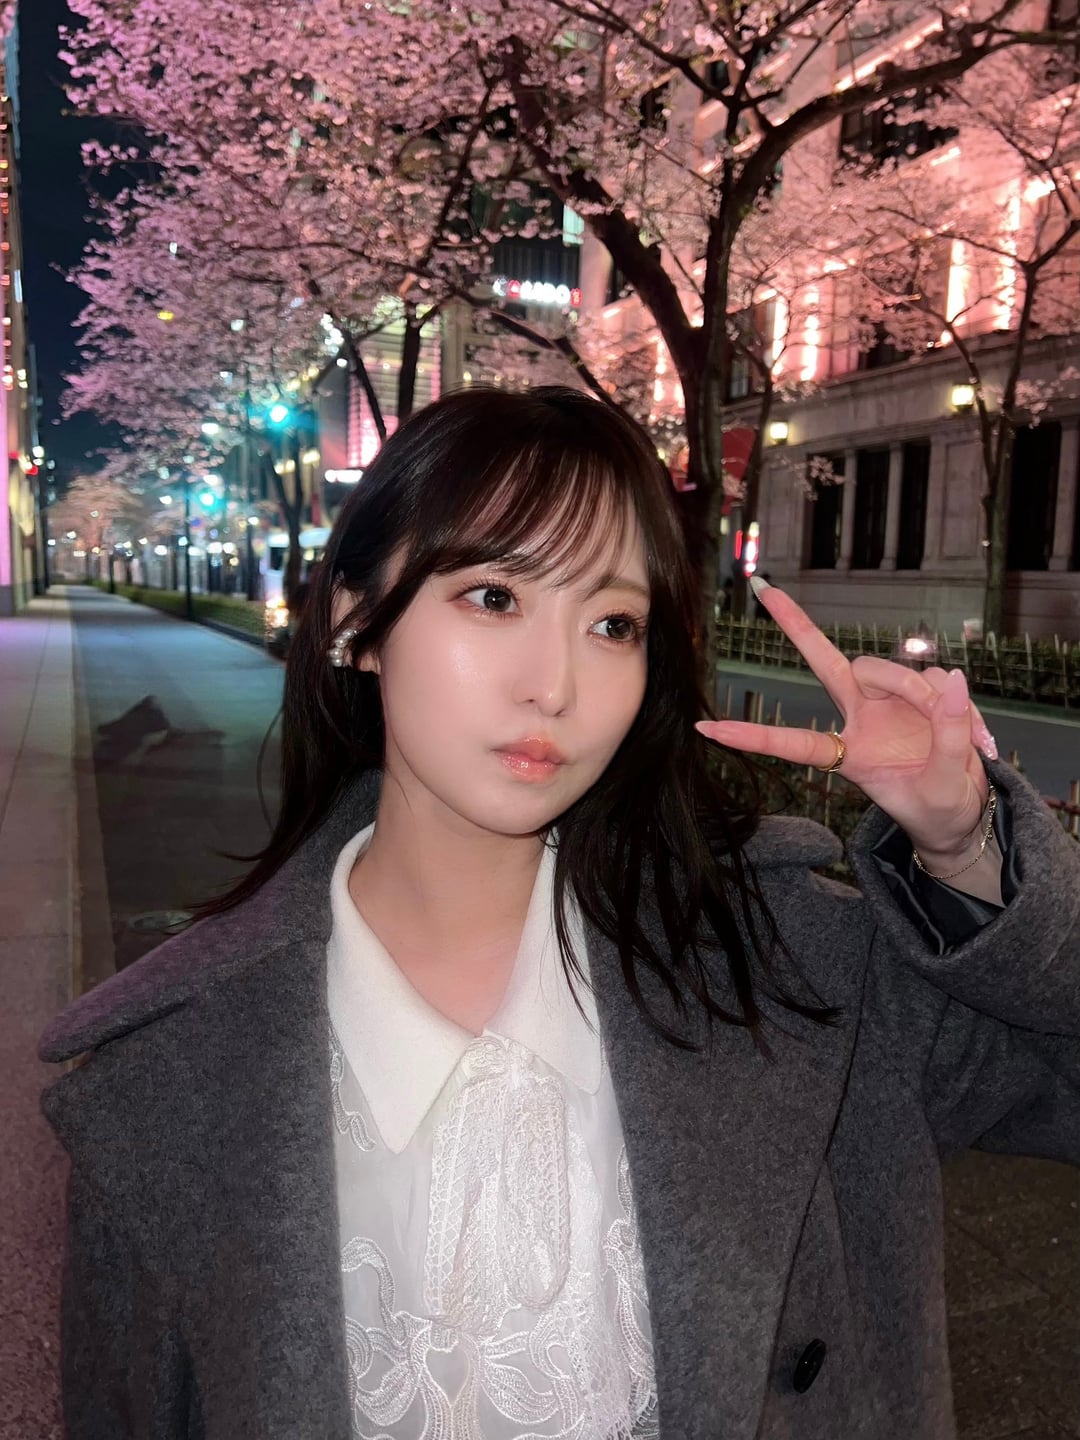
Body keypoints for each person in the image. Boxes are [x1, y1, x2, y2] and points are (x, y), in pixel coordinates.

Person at [40, 387, 1078, 1440]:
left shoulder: (790, 961)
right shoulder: (164, 1082)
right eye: (494, 596)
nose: (555, 686)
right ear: (357, 621)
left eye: (612, 624)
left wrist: (965, 845)